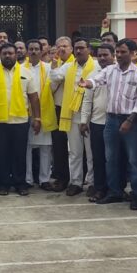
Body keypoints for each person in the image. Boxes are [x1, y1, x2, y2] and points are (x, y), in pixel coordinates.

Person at [81, 39, 137, 210]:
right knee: (110, 158)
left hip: (130, 121)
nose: (118, 55)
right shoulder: (110, 70)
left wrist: (130, 120)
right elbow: (96, 80)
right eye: (117, 52)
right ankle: (114, 192)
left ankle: (136, 194)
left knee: (133, 160)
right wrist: (87, 83)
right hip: (110, 120)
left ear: (133, 53)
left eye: (122, 52)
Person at [0, 43, 41, 195]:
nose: (7, 56)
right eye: (4, 53)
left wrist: (37, 118)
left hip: (20, 121)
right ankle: (3, 184)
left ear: (16, 55)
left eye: (10, 53)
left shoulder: (26, 73)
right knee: (1, 154)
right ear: (0, 55)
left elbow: (34, 98)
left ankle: (20, 183)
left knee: (19, 154)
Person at [50, 38, 97, 196]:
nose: (79, 51)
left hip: (90, 114)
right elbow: (55, 78)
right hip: (72, 113)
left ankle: (92, 183)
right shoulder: (69, 66)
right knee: (75, 152)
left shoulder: (96, 66)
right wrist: (54, 64)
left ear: (89, 50)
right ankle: (76, 182)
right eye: (76, 48)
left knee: (90, 152)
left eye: (82, 48)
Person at [81, 43, 114, 202]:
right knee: (98, 158)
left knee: (115, 158)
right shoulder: (93, 75)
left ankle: (116, 189)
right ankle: (100, 189)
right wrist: (84, 121)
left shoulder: (119, 72)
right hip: (97, 123)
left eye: (105, 55)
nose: (102, 58)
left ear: (113, 55)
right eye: (99, 55)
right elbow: (87, 101)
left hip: (116, 123)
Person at [24, 39, 55, 190]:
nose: (34, 51)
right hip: (25, 112)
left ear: (42, 51)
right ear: (27, 51)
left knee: (45, 147)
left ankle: (44, 179)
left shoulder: (48, 68)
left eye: (37, 49)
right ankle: (28, 179)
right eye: (31, 49)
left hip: (45, 111)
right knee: (27, 147)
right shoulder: (20, 69)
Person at [49, 36, 73, 191]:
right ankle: (61, 178)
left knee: (76, 147)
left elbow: (57, 77)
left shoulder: (74, 64)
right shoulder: (54, 64)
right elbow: (51, 86)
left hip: (73, 108)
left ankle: (77, 178)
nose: (62, 49)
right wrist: (54, 66)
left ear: (71, 48)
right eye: (59, 46)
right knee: (59, 146)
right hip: (57, 109)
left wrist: (55, 72)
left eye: (65, 46)